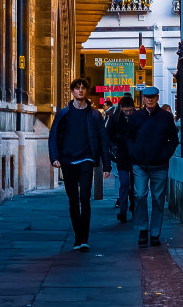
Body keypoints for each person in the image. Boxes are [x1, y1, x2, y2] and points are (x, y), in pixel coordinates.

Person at [48, 76, 104, 250]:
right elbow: (53, 137)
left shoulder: (94, 115)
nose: (80, 90)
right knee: (73, 199)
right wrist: (55, 157)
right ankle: (77, 235)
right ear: (72, 91)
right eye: (77, 88)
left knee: (85, 197)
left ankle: (84, 237)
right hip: (67, 160)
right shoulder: (63, 114)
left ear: (86, 91)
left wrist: (107, 166)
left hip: (86, 159)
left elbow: (103, 139)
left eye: (83, 88)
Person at [126, 84, 179, 247]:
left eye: (153, 97)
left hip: (159, 164)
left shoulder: (165, 117)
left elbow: (174, 140)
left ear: (157, 98)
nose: (149, 100)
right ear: (143, 99)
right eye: (147, 97)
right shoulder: (136, 117)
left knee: (158, 199)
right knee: (140, 195)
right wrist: (134, 154)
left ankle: (155, 233)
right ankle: (143, 229)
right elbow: (128, 138)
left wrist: (165, 155)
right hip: (140, 164)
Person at [103, 93, 137, 223]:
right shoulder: (115, 119)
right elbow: (108, 136)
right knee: (124, 183)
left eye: (130, 110)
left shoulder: (137, 118)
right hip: (122, 155)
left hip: (135, 156)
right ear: (121, 108)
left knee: (134, 185)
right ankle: (123, 210)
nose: (128, 113)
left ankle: (133, 207)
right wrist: (113, 149)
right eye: (126, 110)